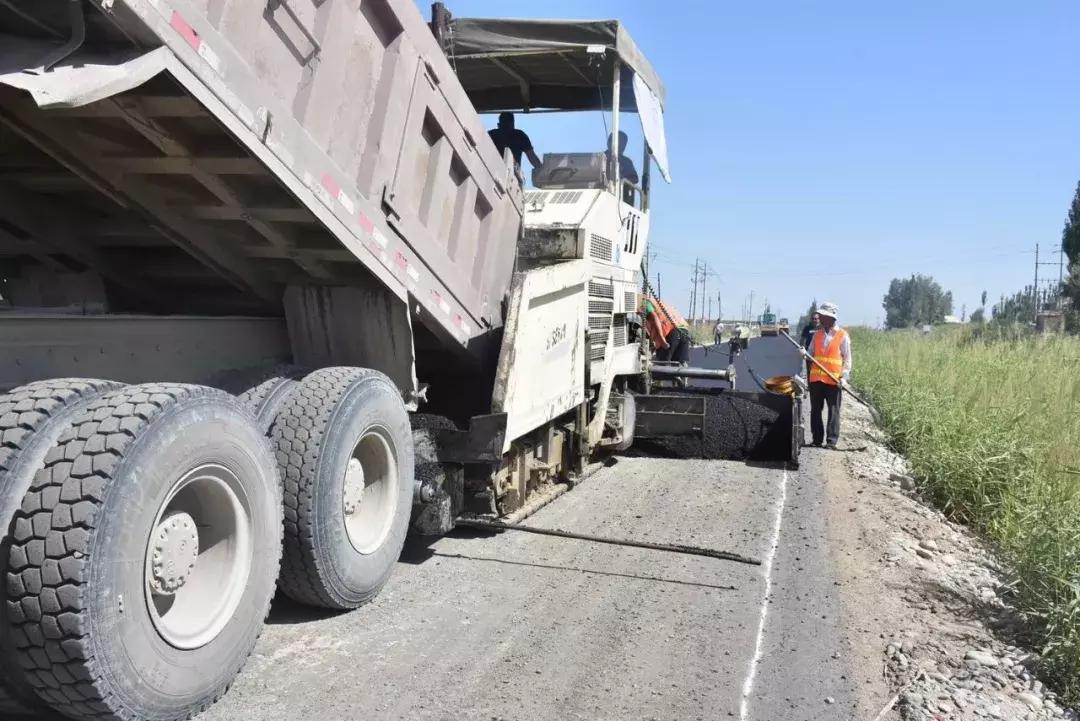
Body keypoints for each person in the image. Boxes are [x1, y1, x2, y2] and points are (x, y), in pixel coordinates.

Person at [807, 302, 851, 449]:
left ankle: (831, 441)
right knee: (815, 410)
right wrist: (804, 354)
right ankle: (817, 439)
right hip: (816, 380)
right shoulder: (817, 334)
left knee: (833, 410)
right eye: (819, 316)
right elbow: (810, 353)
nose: (820, 318)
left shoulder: (842, 336)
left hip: (833, 381)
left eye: (823, 316)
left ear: (831, 318)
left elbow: (847, 359)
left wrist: (844, 377)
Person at [642, 296, 690, 365]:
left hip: (671, 332)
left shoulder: (644, 303)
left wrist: (662, 340)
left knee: (663, 365)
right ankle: (683, 375)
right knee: (680, 364)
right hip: (684, 331)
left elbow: (655, 319)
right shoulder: (659, 303)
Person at [605, 131, 638, 204]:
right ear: (609, 142)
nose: (622, 145)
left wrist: (621, 177)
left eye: (623, 143)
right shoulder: (600, 157)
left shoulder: (626, 162)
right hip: (602, 192)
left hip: (620, 197)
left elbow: (635, 179)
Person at [800, 312, 820, 377]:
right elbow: (802, 339)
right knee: (809, 371)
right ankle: (810, 385)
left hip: (819, 354)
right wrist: (801, 349)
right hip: (809, 353)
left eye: (816, 319)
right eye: (813, 319)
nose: (814, 320)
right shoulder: (807, 328)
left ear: (819, 319)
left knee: (818, 371)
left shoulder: (822, 328)